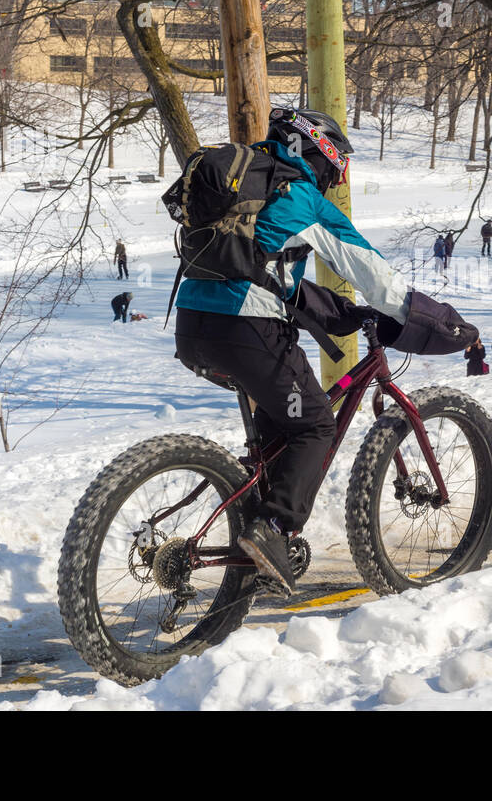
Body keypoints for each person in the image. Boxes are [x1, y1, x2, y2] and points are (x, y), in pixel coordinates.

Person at [173, 108, 429, 597]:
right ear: (316, 154)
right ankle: (274, 531)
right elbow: (373, 273)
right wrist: (434, 322)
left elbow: (271, 271)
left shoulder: (249, 189)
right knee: (315, 424)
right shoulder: (301, 195)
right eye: (334, 169)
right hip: (249, 328)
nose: (334, 180)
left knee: (280, 435)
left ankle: (252, 560)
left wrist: (335, 312)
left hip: (193, 326)